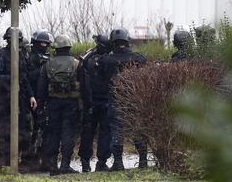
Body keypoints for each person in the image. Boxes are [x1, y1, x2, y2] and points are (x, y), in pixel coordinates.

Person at [37, 34, 91, 176]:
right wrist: (88, 104)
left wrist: (40, 107)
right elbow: (85, 87)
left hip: (53, 104)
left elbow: (41, 88)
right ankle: (65, 165)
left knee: (53, 133)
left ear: (55, 48)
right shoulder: (76, 63)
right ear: (68, 47)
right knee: (68, 133)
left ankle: (53, 166)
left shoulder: (47, 64)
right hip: (71, 104)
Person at [100, 28, 148, 171]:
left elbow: (102, 80)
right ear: (127, 41)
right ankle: (143, 161)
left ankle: (118, 163)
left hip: (115, 100)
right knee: (137, 129)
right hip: (133, 99)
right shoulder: (138, 58)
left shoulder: (106, 60)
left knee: (116, 130)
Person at [0, 27, 37, 167]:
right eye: (13, 40)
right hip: (4, 97)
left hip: (21, 98)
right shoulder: (1, 55)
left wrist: (31, 95)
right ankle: (3, 163)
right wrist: (11, 78)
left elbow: (24, 77)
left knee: (22, 129)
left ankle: (19, 161)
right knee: (3, 130)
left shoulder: (22, 55)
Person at [78, 34, 112, 172]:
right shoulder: (107, 60)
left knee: (88, 132)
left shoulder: (88, 60)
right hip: (102, 101)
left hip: (90, 101)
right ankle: (101, 162)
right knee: (103, 132)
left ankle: (86, 162)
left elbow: (81, 80)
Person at [27, 29, 53, 170]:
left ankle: (44, 160)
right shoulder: (30, 57)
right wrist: (43, 69)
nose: (44, 45)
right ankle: (30, 161)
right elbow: (29, 77)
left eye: (46, 43)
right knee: (34, 130)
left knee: (45, 130)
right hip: (33, 98)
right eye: (41, 43)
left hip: (46, 97)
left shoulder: (48, 57)